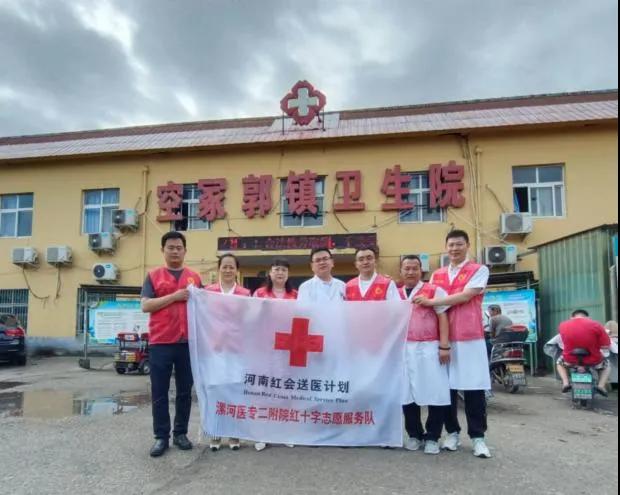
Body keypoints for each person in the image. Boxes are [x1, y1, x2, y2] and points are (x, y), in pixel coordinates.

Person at [414, 230, 492, 459]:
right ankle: (452, 432)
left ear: (467, 245)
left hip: (469, 337)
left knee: (473, 388)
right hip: (441, 339)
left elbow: (465, 296)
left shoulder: (479, 270)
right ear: (446, 247)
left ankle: (478, 437)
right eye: (451, 245)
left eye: (459, 244)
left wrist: (433, 301)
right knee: (445, 388)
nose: (455, 249)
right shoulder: (437, 274)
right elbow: (424, 301)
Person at [141, 231, 202, 458]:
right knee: (160, 391)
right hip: (161, 342)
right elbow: (146, 305)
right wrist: (174, 297)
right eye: (171, 247)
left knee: (185, 392)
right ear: (163, 250)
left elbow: (205, 307)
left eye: (179, 248)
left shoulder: (195, 277)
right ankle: (161, 437)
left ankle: (180, 434)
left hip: (188, 343)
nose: (175, 251)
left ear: (185, 251)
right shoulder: (153, 276)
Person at [399, 255, 451, 455]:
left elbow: (443, 316)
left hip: (429, 346)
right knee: (406, 392)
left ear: (421, 270)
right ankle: (414, 434)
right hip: (404, 349)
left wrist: (444, 346)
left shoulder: (433, 290)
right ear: (401, 271)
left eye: (414, 268)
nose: (410, 272)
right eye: (406, 268)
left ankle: (432, 437)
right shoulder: (395, 293)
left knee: (435, 391)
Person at [205, 253, 251, 451]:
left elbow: (249, 320)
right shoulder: (208, 292)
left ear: (237, 270)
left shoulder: (245, 294)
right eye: (224, 266)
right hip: (214, 349)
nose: (228, 270)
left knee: (235, 391)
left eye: (231, 267)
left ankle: (234, 434)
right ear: (219, 269)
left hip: (237, 349)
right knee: (216, 390)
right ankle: (215, 433)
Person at [253, 258, 297, 452]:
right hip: (265, 348)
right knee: (264, 389)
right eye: (277, 269)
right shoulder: (260, 293)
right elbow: (251, 317)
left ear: (288, 274)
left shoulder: (295, 295)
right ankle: (261, 433)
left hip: (287, 349)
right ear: (270, 273)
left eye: (284, 270)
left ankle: (285, 431)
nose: (280, 273)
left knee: (285, 390)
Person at [556, 309, 612, 397]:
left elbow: (563, 341)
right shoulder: (596, 324)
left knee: (559, 363)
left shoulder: (563, 325)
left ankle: (565, 383)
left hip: (570, 360)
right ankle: (601, 386)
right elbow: (606, 345)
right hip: (593, 360)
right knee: (607, 364)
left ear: (571, 318)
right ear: (588, 318)